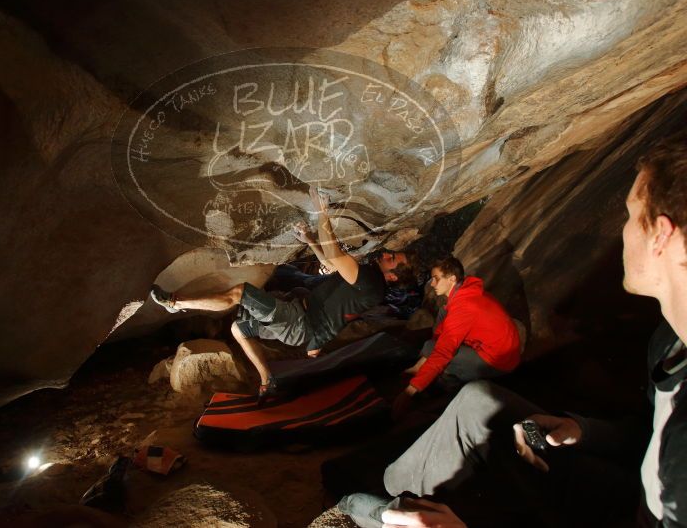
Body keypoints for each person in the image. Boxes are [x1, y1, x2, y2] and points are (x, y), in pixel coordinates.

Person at [339, 135, 687, 527]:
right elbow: (647, 434)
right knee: (478, 401)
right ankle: (384, 493)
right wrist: (580, 430)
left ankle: (376, 504)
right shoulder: (670, 344)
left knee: (453, 376)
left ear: (661, 234)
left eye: (628, 216)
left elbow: (446, 346)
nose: (622, 231)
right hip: (628, 487)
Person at [151, 187, 419, 399]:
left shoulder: (371, 282)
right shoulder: (369, 282)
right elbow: (329, 264)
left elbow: (335, 254)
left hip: (297, 321)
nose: (388, 254)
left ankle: (175, 301)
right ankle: (267, 380)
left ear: (393, 276)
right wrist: (310, 239)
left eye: (394, 259)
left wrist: (322, 213)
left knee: (240, 293)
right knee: (239, 329)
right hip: (301, 324)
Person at [393, 257, 521, 418]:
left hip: (498, 360)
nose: (432, 284)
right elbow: (440, 336)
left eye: (436, 279)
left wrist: (410, 391)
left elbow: (443, 352)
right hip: (491, 345)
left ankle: (450, 391)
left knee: (443, 361)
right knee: (439, 324)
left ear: (452, 278)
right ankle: (426, 371)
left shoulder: (465, 306)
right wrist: (420, 365)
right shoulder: (463, 291)